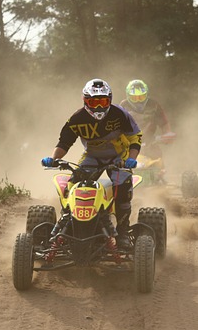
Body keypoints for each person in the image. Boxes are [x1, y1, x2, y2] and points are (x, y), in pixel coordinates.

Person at [41, 78, 142, 249]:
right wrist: (54, 159)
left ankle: (123, 233)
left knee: (123, 187)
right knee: (71, 185)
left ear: (109, 100)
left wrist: (131, 159)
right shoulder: (77, 118)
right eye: (93, 102)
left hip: (119, 157)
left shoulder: (120, 113)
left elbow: (135, 137)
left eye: (102, 101)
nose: (98, 107)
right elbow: (64, 142)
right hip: (92, 156)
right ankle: (66, 228)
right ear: (85, 100)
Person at [120, 79, 173, 161]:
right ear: (128, 96)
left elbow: (164, 123)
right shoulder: (123, 105)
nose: (138, 101)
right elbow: (117, 125)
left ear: (146, 95)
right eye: (134, 98)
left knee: (158, 159)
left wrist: (167, 134)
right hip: (130, 143)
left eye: (141, 97)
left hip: (151, 141)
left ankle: (160, 173)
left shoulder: (154, 105)